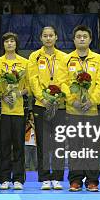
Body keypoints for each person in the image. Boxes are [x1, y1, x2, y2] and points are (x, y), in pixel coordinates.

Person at [61, 25, 100, 192]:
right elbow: (62, 82)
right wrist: (73, 101)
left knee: (92, 147)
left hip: (92, 111)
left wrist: (92, 101)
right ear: (73, 40)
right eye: (78, 36)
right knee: (75, 147)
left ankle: (93, 180)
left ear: (90, 40)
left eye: (84, 36)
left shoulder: (99, 60)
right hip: (73, 111)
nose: (81, 39)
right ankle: (75, 180)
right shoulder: (66, 60)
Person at [27, 26, 68, 190]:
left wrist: (58, 97)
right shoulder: (34, 56)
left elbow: (67, 80)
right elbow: (33, 80)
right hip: (40, 105)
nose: (48, 38)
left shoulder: (64, 58)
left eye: (51, 35)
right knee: (43, 143)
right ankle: (44, 177)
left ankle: (57, 177)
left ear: (56, 37)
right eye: (45, 35)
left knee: (59, 142)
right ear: (41, 38)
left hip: (60, 105)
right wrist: (43, 98)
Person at [0, 32, 28, 190]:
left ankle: (18, 179)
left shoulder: (24, 63)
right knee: (3, 145)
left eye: (12, 41)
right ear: (3, 44)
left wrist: (17, 93)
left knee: (18, 146)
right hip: (2, 111)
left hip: (19, 110)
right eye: (7, 41)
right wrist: (2, 95)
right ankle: (4, 178)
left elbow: (29, 87)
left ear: (16, 44)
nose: (9, 44)